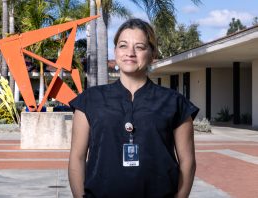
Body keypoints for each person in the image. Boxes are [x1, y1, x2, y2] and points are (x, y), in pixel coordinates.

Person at [68, 18, 199, 198]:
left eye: (139, 47)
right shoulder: (89, 100)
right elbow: (77, 158)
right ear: (115, 51)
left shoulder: (175, 102)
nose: (130, 52)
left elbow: (188, 162)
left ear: (152, 54)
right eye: (123, 45)